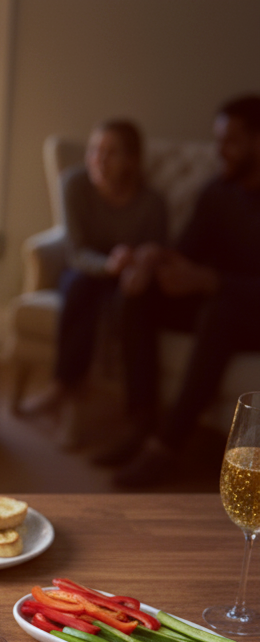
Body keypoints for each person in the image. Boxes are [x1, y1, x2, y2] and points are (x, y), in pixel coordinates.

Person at [110, 95, 260, 486]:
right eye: (218, 140)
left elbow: (214, 282)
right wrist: (154, 259)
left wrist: (213, 282)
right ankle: (142, 422)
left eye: (231, 142)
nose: (219, 152)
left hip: (247, 312)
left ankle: (166, 447)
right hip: (217, 299)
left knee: (220, 310)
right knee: (141, 293)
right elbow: (186, 251)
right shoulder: (217, 192)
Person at [20, 120, 167, 425]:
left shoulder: (151, 203)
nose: (98, 160)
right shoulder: (75, 184)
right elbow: (75, 251)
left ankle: (136, 413)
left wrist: (136, 261)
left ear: (131, 160)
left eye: (111, 153)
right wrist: (107, 264)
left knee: (133, 302)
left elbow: (157, 249)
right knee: (77, 284)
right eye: (94, 150)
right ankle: (63, 385)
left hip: (128, 278)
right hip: (88, 269)